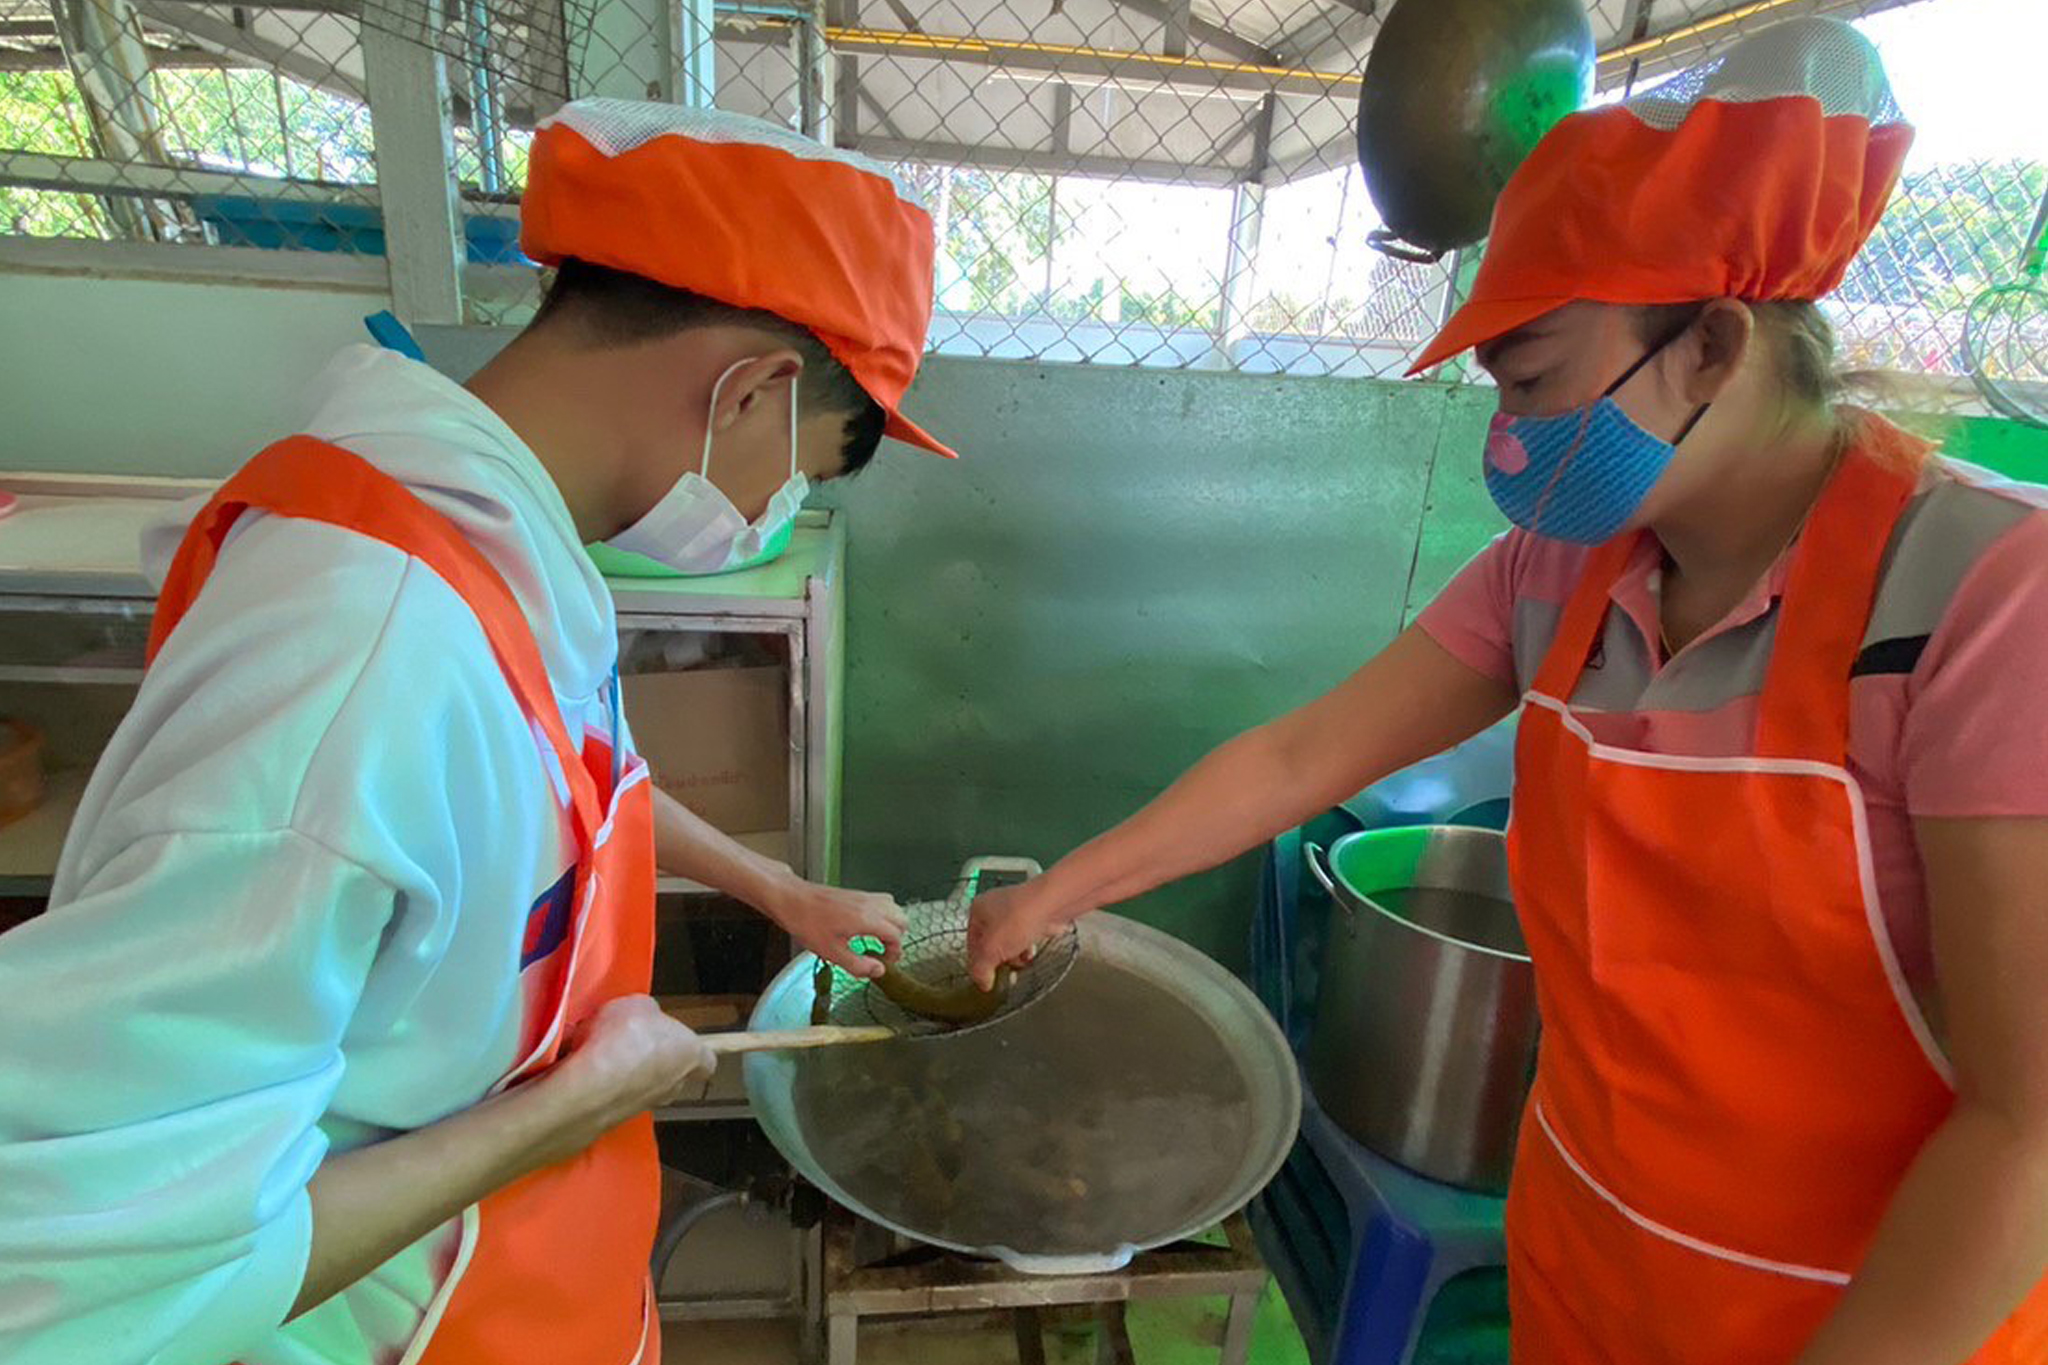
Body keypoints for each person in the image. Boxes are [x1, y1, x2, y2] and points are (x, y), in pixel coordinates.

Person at [969, 18, 2048, 1364]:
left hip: (1865, 1322)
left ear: (1711, 344)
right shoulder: (1558, 572)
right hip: (1584, 1269)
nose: (1513, 438)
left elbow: (2028, 1123)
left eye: (1534, 381)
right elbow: (1300, 757)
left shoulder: (1984, 594)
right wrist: (1056, 892)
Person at [0, 103, 953, 1365]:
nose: (772, 514)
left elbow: (557, 776)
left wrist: (777, 888)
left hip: (529, 1283)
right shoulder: (361, 650)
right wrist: (575, 1108)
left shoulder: (486, 545)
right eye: (800, 476)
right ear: (753, 390)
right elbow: (81, 1276)